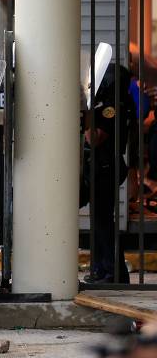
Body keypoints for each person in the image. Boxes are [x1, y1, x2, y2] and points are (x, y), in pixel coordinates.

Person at [83, 63, 133, 284]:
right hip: (102, 166)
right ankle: (103, 269)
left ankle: (112, 272)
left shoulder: (111, 106)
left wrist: (86, 116)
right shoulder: (109, 102)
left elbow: (94, 137)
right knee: (100, 221)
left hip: (106, 167)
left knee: (104, 222)